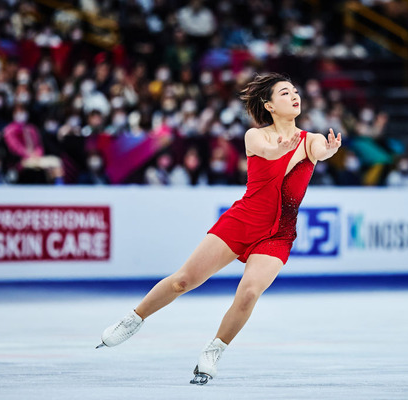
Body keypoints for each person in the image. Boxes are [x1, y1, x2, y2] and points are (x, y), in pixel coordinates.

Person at [96, 72, 342, 384]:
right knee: (183, 281)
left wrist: (329, 151)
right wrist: (280, 150)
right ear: (268, 105)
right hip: (242, 221)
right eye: (284, 93)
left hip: (279, 234)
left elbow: (321, 151)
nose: (295, 96)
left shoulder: (313, 140)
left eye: (295, 91)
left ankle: (214, 350)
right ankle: (134, 318)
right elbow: (268, 152)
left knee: (249, 293)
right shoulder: (256, 136)